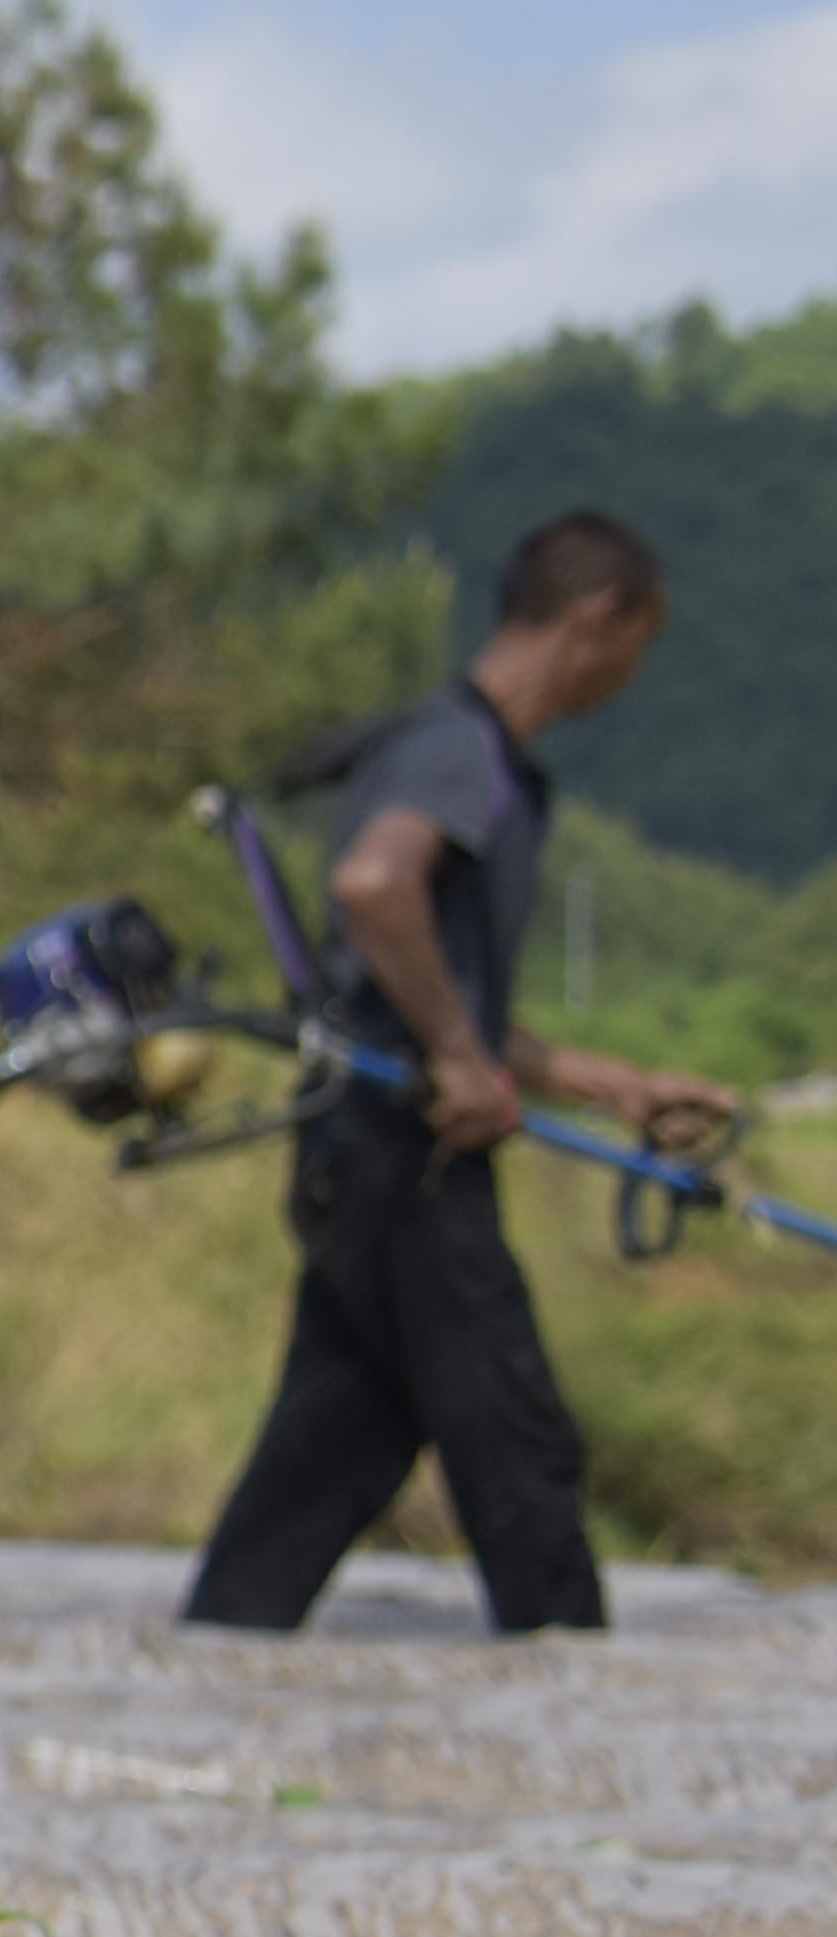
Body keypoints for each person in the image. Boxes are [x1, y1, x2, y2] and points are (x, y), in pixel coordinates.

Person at [185, 511, 738, 1636]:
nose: (635, 671)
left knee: (333, 1446)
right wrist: (450, 1055)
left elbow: (443, 996)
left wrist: (614, 1085)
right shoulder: (458, 748)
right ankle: (581, 1727)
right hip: (407, 1167)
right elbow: (373, 888)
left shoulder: (463, 751)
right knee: (521, 1447)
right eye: (642, 641)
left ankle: (210, 1663)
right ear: (598, 621)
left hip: (368, 1155)